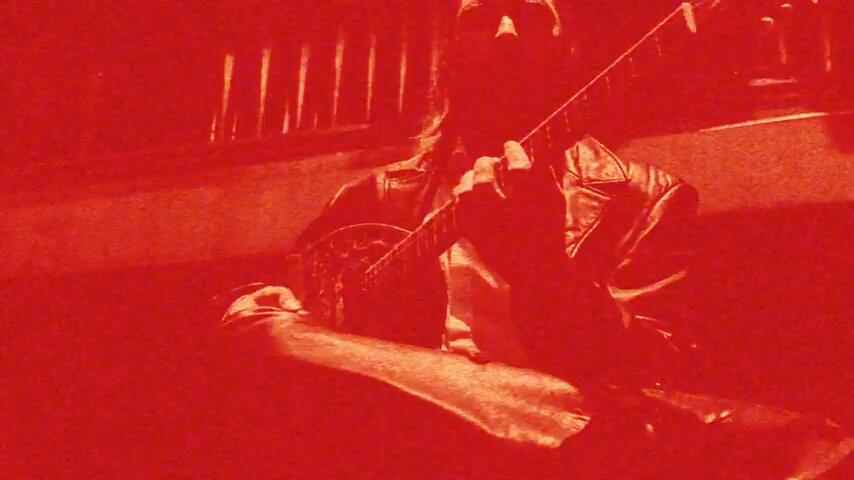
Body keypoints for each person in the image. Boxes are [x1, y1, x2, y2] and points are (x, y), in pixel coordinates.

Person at [217, 1, 851, 477]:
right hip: (412, 440)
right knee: (259, 332)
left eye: (529, 14)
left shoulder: (646, 197)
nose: (505, 32)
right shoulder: (373, 198)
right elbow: (305, 310)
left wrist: (540, 266)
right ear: (449, 53)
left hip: (575, 445)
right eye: (482, 16)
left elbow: (652, 375)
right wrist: (290, 308)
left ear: (566, 50)